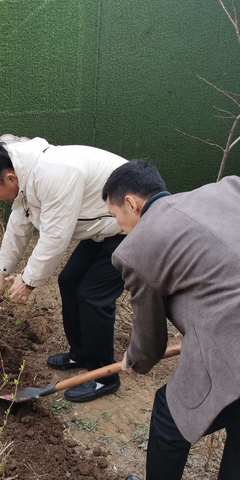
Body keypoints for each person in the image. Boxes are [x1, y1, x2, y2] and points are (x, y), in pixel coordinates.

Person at [102, 161, 240, 480]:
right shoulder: (228, 188)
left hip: (232, 349)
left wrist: (136, 359)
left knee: (169, 415)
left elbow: (150, 342)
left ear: (131, 203)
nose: (119, 226)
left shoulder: (137, 246)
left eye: (115, 216)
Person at [0, 135, 128, 402]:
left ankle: (104, 377)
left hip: (129, 227)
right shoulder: (26, 177)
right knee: (69, 281)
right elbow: (18, 228)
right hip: (101, 228)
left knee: (93, 296)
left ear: (9, 178)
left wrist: (29, 281)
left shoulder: (55, 172)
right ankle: (81, 353)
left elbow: (56, 236)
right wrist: (2, 275)